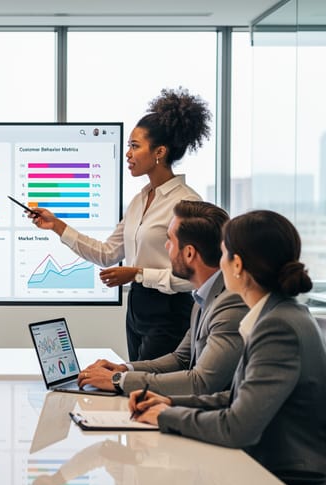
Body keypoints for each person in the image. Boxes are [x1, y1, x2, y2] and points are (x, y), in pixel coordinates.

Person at [130, 210, 326, 485]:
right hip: (272, 464)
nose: (219, 264)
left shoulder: (277, 327)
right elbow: (236, 398)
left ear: (238, 265)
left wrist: (165, 417)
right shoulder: (277, 314)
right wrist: (168, 402)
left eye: (223, 254)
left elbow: (238, 427)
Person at [29, 87, 211, 360]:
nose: (128, 153)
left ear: (159, 151)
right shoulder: (140, 200)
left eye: (135, 146)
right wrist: (57, 226)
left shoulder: (186, 204)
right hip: (137, 310)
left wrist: (137, 273)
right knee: (134, 390)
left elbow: (193, 280)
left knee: (150, 389)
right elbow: (107, 254)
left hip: (170, 314)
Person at [77, 200, 248, 396]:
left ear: (190, 253)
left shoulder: (230, 305)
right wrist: (124, 369)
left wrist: (118, 381)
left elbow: (200, 383)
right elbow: (181, 359)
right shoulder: (204, 298)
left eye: (170, 241)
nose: (166, 246)